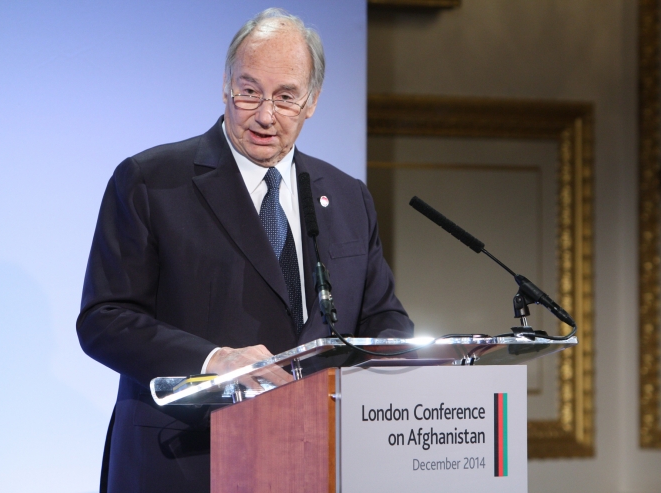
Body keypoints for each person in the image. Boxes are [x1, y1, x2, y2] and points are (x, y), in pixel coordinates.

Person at [77, 8, 413, 493]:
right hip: (185, 463)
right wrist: (212, 359)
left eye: (285, 97)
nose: (265, 115)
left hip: (312, 460)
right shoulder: (151, 181)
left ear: (312, 100)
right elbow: (103, 319)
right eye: (250, 91)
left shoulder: (347, 197)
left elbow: (383, 317)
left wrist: (400, 364)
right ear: (225, 85)